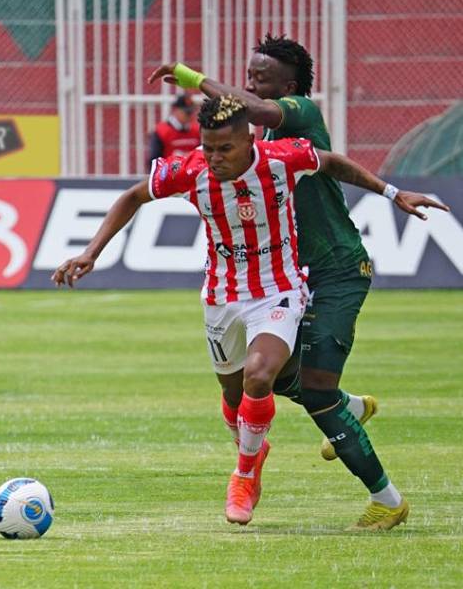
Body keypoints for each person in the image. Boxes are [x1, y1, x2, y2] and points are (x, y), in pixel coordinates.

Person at [53, 95, 446, 529]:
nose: (215, 158)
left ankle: (244, 475)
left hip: (278, 291)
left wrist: (392, 192)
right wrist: (90, 252)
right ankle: (266, 444)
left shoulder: (282, 159)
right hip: (222, 297)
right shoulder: (191, 170)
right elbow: (133, 196)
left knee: (258, 376)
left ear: (250, 140)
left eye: (225, 148)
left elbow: (333, 162)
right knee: (233, 397)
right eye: (208, 147)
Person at [148, 34, 450, 530]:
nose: (249, 86)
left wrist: (190, 77)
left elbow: (259, 114)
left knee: (316, 392)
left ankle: (388, 500)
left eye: (260, 79)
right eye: (248, 76)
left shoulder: (299, 113)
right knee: (275, 376)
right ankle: (352, 407)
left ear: (287, 88)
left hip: (337, 270)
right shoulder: (259, 144)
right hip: (293, 277)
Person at [147, 93, 200, 168]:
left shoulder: (196, 130)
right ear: (175, 110)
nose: (190, 116)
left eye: (191, 112)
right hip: (168, 172)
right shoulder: (162, 131)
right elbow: (154, 159)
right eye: (187, 113)